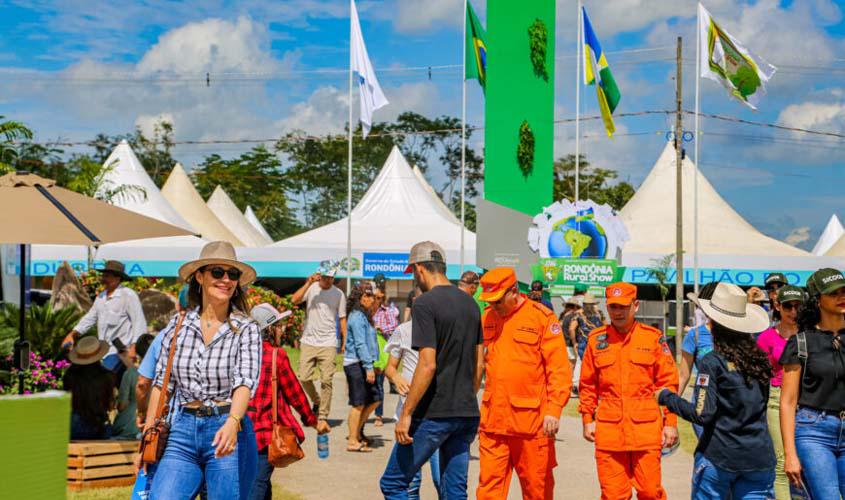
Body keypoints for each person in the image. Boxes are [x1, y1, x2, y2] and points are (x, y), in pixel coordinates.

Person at [138, 241, 261, 500]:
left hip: (226, 427)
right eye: (218, 272)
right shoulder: (179, 324)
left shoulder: (246, 328)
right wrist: (148, 436)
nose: (226, 279)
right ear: (200, 276)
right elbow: (161, 384)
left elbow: (244, 383)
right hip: (182, 430)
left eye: (233, 274)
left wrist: (232, 421)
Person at [380, 241, 483, 500]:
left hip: (433, 414)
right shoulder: (471, 304)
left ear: (419, 269)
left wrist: (407, 413)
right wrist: (466, 399)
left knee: (393, 484)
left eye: (413, 273)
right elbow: (479, 362)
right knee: (454, 491)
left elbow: (427, 363)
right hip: (466, 412)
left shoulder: (425, 304)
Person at [658, 282, 775, 499]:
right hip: (758, 457)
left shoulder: (713, 362)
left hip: (720, 456)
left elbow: (702, 413)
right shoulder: (759, 359)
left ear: (714, 321)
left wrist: (666, 398)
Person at [476, 267, 571, 500]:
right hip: (493, 423)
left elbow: (559, 369)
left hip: (531, 425)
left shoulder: (541, 318)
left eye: (498, 300)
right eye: (490, 301)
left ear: (514, 291)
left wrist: (554, 410)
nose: (494, 306)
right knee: (488, 491)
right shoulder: (487, 317)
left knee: (537, 490)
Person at [578, 282, 679, 500]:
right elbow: (587, 383)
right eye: (613, 307)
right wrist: (587, 417)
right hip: (609, 433)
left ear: (636, 305)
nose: (618, 312)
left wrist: (670, 423)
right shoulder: (596, 340)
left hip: (646, 431)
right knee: (613, 495)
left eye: (623, 306)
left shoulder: (652, 338)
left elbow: (668, 383)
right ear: (607, 307)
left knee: (650, 493)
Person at [780, 268, 845, 499]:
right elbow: (787, 402)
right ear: (818, 299)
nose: (842, 296)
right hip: (813, 431)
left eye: (844, 290)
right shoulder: (801, 342)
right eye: (834, 293)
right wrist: (790, 454)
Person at [247, 303, 321, 500]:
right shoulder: (275, 355)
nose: (282, 330)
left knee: (257, 483)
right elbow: (295, 394)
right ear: (269, 329)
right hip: (263, 435)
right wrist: (312, 419)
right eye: (279, 325)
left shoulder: (240, 351)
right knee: (258, 485)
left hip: (238, 433)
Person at [382, 300, 442, 498]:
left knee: (440, 479)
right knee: (409, 482)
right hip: (408, 416)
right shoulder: (403, 330)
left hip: (436, 414)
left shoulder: (443, 329)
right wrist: (396, 377)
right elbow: (390, 367)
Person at [756, 285, 805, 499]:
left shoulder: (810, 336)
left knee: (806, 460)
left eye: (798, 306)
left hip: (807, 401)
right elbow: (758, 374)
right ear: (777, 305)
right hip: (776, 399)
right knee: (783, 460)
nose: (793, 312)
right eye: (788, 307)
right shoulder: (766, 337)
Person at [63, 260, 147, 384]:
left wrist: (134, 347)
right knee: (113, 384)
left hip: (119, 352)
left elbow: (139, 322)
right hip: (101, 351)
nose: (103, 278)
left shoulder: (128, 295)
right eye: (104, 275)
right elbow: (90, 318)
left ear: (118, 278)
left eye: (107, 276)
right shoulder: (101, 297)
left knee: (101, 381)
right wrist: (72, 334)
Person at [291, 268, 346, 434]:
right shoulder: (312, 288)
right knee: (304, 377)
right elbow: (294, 300)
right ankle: (316, 400)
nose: (328, 280)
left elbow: (342, 318)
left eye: (331, 277)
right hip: (308, 340)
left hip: (328, 342)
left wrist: (344, 341)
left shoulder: (339, 294)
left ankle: (322, 416)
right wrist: (308, 282)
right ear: (319, 276)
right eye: (325, 277)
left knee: (326, 380)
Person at [343, 282, 382, 452]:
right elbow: (360, 344)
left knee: (375, 399)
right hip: (355, 364)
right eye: (370, 296)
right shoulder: (357, 317)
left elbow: (370, 342)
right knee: (358, 403)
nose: (373, 299)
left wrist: (374, 363)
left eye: (373, 296)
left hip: (365, 363)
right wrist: (368, 367)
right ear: (361, 298)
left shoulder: (364, 315)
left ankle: (357, 433)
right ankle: (352, 440)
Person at [64, 336, 115, 440]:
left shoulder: (70, 375)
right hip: (101, 424)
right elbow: (110, 405)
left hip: (74, 423)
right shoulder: (107, 376)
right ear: (99, 353)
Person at [112, 334, 152, 440]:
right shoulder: (163, 374)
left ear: (138, 352)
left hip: (128, 427)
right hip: (151, 427)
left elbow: (122, 405)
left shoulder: (130, 373)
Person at [373, 285, 400, 426]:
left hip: (381, 352)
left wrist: (380, 328)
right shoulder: (365, 311)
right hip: (366, 351)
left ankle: (378, 415)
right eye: (375, 297)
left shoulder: (389, 311)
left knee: (378, 384)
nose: (377, 300)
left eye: (380, 298)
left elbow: (394, 328)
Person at [562, 298, 582, 396]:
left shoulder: (564, 316)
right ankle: (570, 388)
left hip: (565, 342)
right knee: (572, 366)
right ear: (575, 307)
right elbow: (573, 330)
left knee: (569, 365)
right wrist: (575, 342)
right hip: (570, 343)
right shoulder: (574, 317)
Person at [576, 293, 604, 360]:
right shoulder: (599, 313)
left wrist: (574, 342)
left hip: (583, 341)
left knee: (585, 365)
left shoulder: (579, 313)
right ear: (593, 304)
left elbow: (571, 328)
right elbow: (605, 327)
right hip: (596, 341)